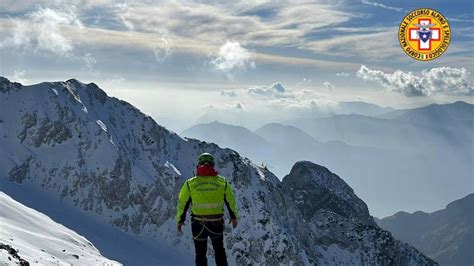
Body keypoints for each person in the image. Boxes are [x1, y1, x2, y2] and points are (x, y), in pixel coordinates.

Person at [176, 153, 239, 266]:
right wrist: (233, 216)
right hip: (216, 222)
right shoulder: (222, 182)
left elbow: (183, 203)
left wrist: (180, 220)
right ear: (213, 165)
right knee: (219, 251)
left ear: (198, 166)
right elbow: (230, 201)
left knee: (200, 254)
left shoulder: (190, 183)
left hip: (198, 224)